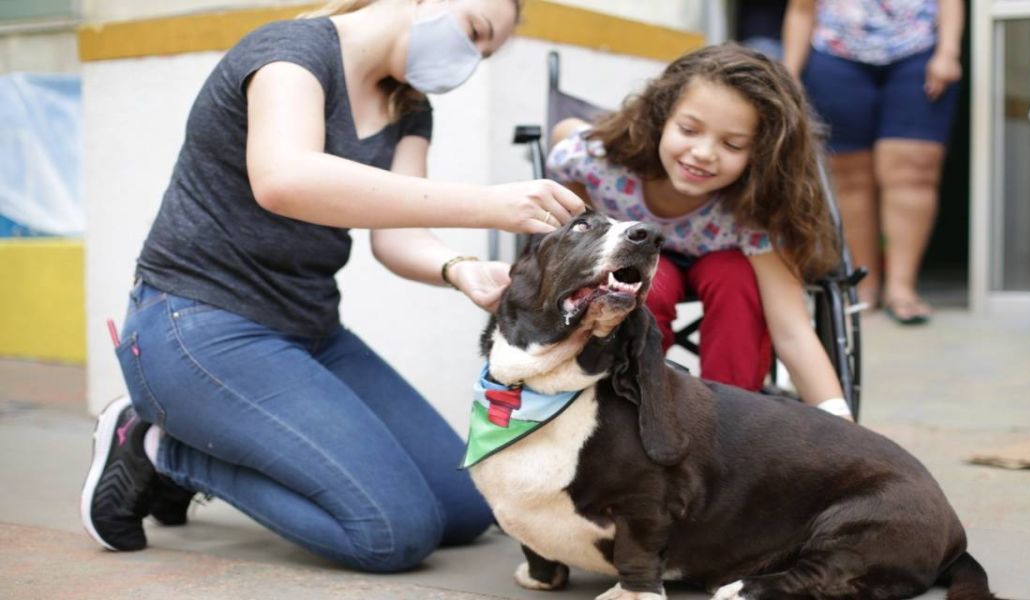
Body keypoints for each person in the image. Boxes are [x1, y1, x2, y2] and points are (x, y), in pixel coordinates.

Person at [80, 0, 588, 572]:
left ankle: (202, 438)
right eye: (473, 32)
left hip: (309, 330)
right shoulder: (291, 53)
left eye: (484, 53)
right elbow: (285, 178)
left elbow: (397, 237)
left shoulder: (408, 106)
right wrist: (490, 204)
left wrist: (461, 269)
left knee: (467, 508)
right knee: (393, 533)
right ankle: (158, 448)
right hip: (198, 321)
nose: (469, 59)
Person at [547, 43, 852, 420]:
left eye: (732, 144)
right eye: (689, 129)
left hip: (722, 260)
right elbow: (564, 136)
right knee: (645, 279)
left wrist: (839, 420)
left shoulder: (754, 208)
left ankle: (730, 415)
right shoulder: (602, 165)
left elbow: (791, 328)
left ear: (759, 153)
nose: (704, 152)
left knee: (735, 276)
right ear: (660, 118)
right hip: (639, 261)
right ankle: (636, 402)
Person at [781, 0, 964, 325]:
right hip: (835, 54)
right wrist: (790, 73)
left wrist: (948, 51)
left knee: (914, 169)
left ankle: (901, 288)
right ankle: (864, 284)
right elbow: (801, 8)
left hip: (918, 49)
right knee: (848, 174)